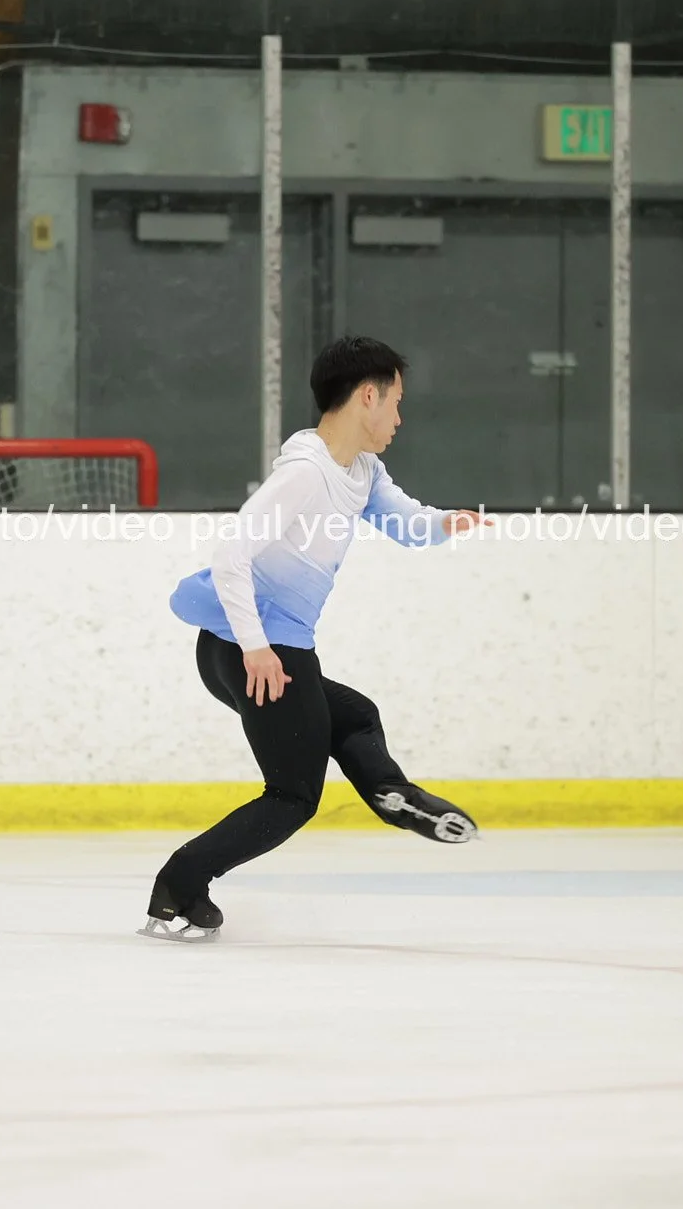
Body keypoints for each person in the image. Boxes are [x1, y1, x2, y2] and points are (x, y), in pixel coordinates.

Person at [141, 335, 485, 942]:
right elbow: (231, 556)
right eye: (397, 403)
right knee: (292, 797)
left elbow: (408, 524)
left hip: (254, 648)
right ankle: (178, 888)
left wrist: (448, 523)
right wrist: (256, 648)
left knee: (354, 715)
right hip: (258, 651)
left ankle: (392, 795)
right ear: (368, 396)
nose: (399, 418)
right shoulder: (305, 473)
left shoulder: (362, 471)